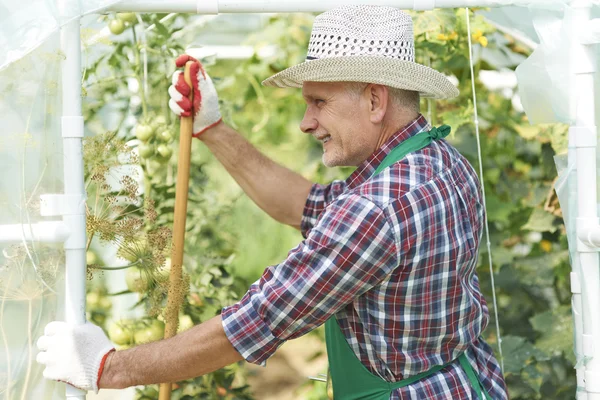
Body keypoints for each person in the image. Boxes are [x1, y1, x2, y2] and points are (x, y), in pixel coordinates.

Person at [36, 5, 508, 399]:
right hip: (461, 381)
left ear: (374, 101)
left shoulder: (376, 209)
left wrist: (108, 368)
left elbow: (257, 321)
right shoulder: (435, 159)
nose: (306, 122)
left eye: (318, 102)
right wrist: (212, 128)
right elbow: (306, 205)